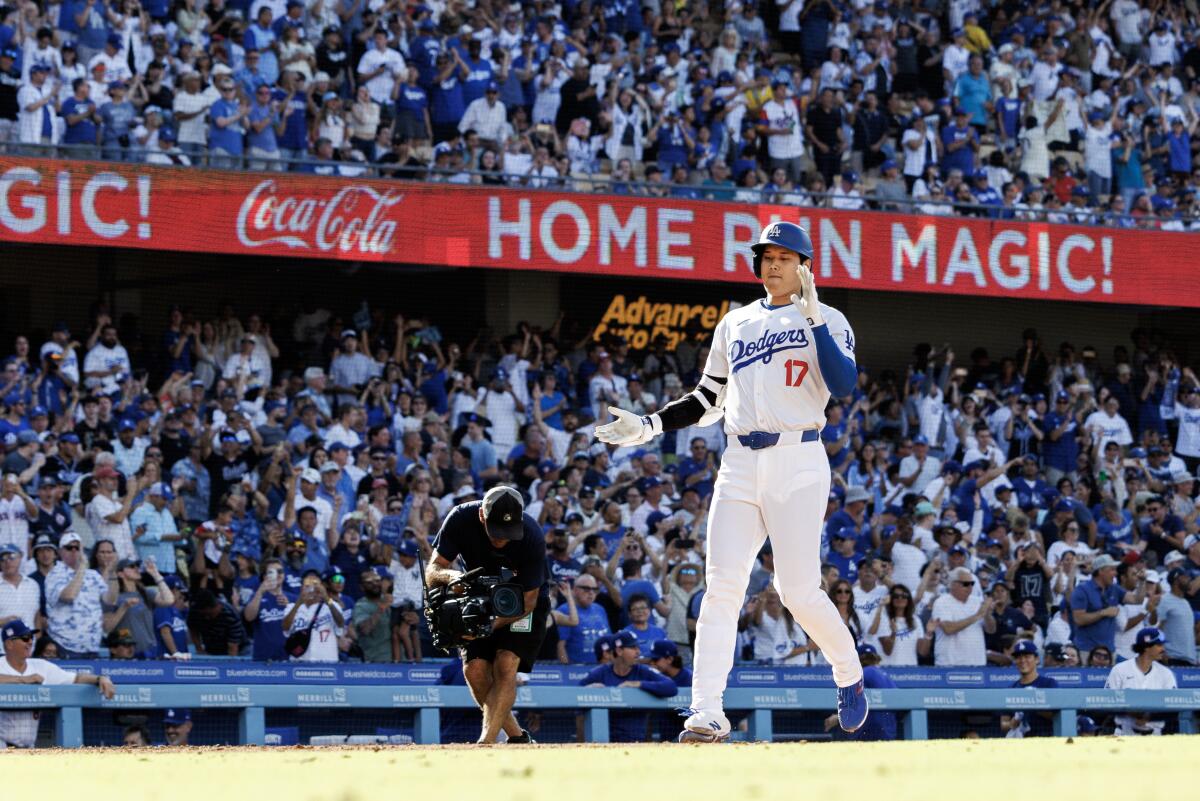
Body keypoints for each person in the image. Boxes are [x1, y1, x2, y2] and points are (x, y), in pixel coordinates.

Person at [597, 222, 867, 742]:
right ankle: (707, 712)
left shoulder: (829, 318)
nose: (773, 264)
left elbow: (844, 384)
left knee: (797, 591)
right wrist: (650, 426)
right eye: (767, 255)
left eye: (786, 257)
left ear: (805, 266)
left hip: (799, 456)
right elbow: (706, 399)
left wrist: (811, 320)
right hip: (740, 460)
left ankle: (848, 672)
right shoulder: (735, 323)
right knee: (721, 588)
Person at [426, 486, 549, 744]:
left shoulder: (532, 534)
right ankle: (518, 739)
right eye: (496, 531)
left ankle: (486, 742)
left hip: (521, 602)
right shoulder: (460, 517)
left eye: (508, 533)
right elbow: (433, 569)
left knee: (506, 664)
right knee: (475, 670)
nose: (502, 539)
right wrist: (453, 577)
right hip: (476, 597)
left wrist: (488, 626)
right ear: (482, 515)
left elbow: (529, 600)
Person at [0, 620, 116, 748]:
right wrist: (22, 679)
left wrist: (100, 678)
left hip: (28, 748)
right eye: (25, 638)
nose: (30, 642)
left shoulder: (41, 666)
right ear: (9, 643)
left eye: (31, 637)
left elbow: (76, 678)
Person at [579, 630, 678, 742]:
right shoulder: (601, 672)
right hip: (605, 741)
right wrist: (589, 690)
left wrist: (638, 684)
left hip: (636, 742)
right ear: (619, 650)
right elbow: (576, 694)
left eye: (638, 647)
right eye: (633, 648)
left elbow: (671, 687)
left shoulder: (643, 671)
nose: (638, 652)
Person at [1104, 627, 1177, 735]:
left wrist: (1149, 717)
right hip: (1124, 734)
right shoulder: (1120, 670)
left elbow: (1173, 708)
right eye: (1159, 645)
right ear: (1146, 647)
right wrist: (1130, 713)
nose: (1163, 649)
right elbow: (1106, 702)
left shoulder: (1166, 674)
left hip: (1155, 736)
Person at [823, 644, 897, 741]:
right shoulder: (886, 676)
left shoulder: (862, 673)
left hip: (869, 732)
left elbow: (858, 704)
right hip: (889, 732)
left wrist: (838, 718)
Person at [999, 640, 1059, 737]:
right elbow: (1003, 723)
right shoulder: (1011, 688)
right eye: (1018, 657)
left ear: (1037, 659)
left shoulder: (1049, 683)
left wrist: (1032, 703)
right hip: (1021, 743)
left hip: (1046, 740)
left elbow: (1056, 716)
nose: (1022, 661)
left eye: (1027, 656)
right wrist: (1012, 723)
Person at [282, 569, 344, 662]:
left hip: (327, 664)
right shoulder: (292, 607)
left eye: (315, 584)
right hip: (299, 664)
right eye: (307, 585)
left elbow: (340, 623)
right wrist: (299, 602)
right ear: (301, 588)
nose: (312, 588)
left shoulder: (331, 605)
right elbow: (285, 628)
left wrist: (326, 598)